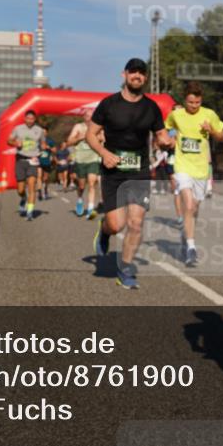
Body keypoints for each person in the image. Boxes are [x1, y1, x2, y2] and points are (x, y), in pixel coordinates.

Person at [87, 58, 174, 289]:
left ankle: (124, 269)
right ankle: (104, 231)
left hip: (139, 172)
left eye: (141, 73)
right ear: (124, 74)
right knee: (116, 225)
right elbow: (90, 134)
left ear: (145, 77)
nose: (137, 76)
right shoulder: (108, 104)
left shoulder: (151, 108)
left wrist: (166, 142)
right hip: (113, 171)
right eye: (133, 72)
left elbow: (161, 135)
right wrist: (104, 153)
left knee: (135, 223)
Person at [165, 82, 223, 267]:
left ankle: (186, 235)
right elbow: (165, 129)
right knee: (189, 204)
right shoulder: (176, 115)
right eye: (191, 102)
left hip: (201, 169)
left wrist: (211, 131)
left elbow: (222, 137)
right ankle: (191, 248)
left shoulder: (209, 114)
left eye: (197, 102)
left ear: (201, 100)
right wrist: (168, 139)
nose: (194, 106)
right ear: (185, 100)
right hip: (182, 166)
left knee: (194, 209)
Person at [8, 110, 47, 221]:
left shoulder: (39, 130)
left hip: (33, 160)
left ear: (35, 119)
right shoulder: (18, 129)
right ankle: (23, 198)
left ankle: (30, 212)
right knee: (20, 189)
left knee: (31, 186)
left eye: (32, 119)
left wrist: (44, 146)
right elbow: (9, 140)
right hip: (21, 160)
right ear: (24, 119)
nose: (30, 120)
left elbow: (43, 143)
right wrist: (15, 143)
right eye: (28, 118)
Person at [67, 110, 102, 219]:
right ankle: (80, 199)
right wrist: (80, 137)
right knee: (81, 186)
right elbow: (69, 142)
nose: (90, 118)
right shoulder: (78, 127)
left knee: (92, 183)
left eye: (92, 116)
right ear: (84, 117)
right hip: (81, 159)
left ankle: (90, 209)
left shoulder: (99, 127)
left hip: (94, 159)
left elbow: (104, 139)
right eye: (87, 116)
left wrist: (97, 138)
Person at [36, 129, 55, 200]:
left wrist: (48, 147)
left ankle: (45, 190)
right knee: (39, 176)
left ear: (47, 133)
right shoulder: (37, 140)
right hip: (39, 162)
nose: (43, 133)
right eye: (42, 132)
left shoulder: (50, 141)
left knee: (45, 178)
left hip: (47, 162)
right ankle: (39, 192)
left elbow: (55, 150)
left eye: (45, 132)